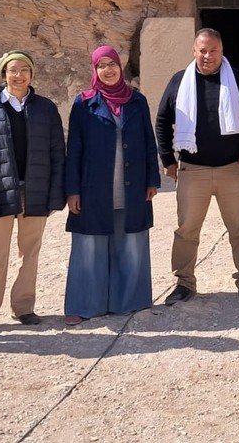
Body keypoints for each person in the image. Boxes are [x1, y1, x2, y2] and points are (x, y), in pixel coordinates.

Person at [155, 28, 239, 306]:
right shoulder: (180, 81)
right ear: (194, 51)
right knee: (187, 230)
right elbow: (163, 120)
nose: (207, 56)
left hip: (232, 169)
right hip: (193, 170)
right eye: (202, 50)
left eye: (213, 50)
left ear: (222, 51)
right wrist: (167, 159)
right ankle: (184, 283)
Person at [0, 50, 66, 339]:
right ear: (3, 74)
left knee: (30, 253)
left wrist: (54, 195)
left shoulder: (46, 108)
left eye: (24, 70)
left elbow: (57, 153)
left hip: (35, 190)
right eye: (13, 70)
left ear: (32, 74)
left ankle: (23, 307)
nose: (19, 75)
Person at [63, 46, 160, 326]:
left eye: (112, 64)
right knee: (89, 248)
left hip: (132, 186)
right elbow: (74, 149)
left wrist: (152, 180)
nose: (108, 70)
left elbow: (148, 141)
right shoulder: (83, 104)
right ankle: (84, 305)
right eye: (101, 65)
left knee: (131, 244)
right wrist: (72, 190)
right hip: (93, 189)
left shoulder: (137, 101)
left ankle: (129, 302)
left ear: (120, 66)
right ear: (95, 70)